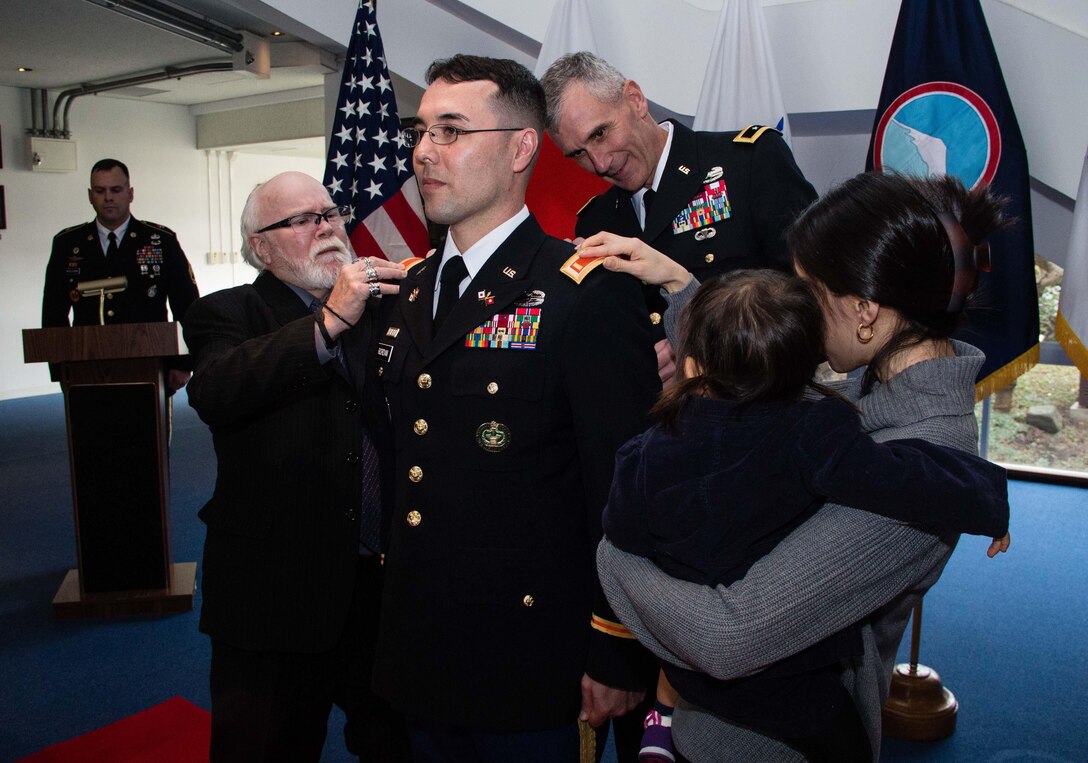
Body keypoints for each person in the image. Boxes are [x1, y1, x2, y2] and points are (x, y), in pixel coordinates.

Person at [582, 170, 1010, 761]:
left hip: (774, 743)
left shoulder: (923, 462)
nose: (797, 306)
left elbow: (726, 637)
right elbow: (743, 371)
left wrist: (614, 552)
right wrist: (682, 284)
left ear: (865, 309)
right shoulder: (867, 385)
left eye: (809, 289)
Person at [371, 55, 661, 762]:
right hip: (421, 647)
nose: (423, 151)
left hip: (531, 658)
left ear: (521, 148)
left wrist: (615, 645)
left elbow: (625, 490)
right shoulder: (408, 291)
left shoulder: (584, 292)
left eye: (452, 130)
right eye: (421, 130)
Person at [181, 171, 409, 762]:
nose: (328, 228)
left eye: (331, 214)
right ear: (261, 245)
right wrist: (328, 321)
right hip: (274, 595)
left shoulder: (389, 309)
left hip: (379, 591)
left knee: (397, 745)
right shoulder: (227, 313)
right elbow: (216, 390)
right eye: (302, 220)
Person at [540, 51, 817, 379]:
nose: (600, 164)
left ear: (635, 99)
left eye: (599, 134)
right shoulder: (596, 223)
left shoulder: (748, 162)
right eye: (579, 154)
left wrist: (693, 347)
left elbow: (816, 298)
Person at [42, 158, 199, 328]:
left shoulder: (161, 241)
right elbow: (53, 315)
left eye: (116, 190)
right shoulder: (67, 243)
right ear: (90, 196)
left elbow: (188, 309)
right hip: (88, 350)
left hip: (151, 349)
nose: (108, 197)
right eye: (100, 191)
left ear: (130, 194)